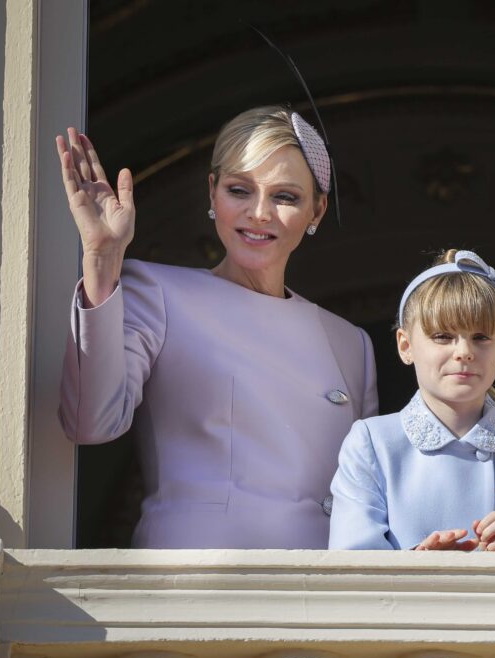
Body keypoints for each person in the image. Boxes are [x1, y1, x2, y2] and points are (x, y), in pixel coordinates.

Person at [57, 106, 378, 549]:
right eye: (239, 190)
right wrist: (101, 258)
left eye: (285, 196)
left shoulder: (351, 343)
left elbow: (368, 501)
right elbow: (90, 422)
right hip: (198, 588)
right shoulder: (159, 291)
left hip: (320, 592)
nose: (259, 213)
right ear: (213, 193)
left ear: (317, 210)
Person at [329, 250, 495, 551]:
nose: (464, 352)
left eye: (481, 337)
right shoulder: (372, 444)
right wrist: (419, 566)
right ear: (406, 346)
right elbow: (352, 568)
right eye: (443, 336)